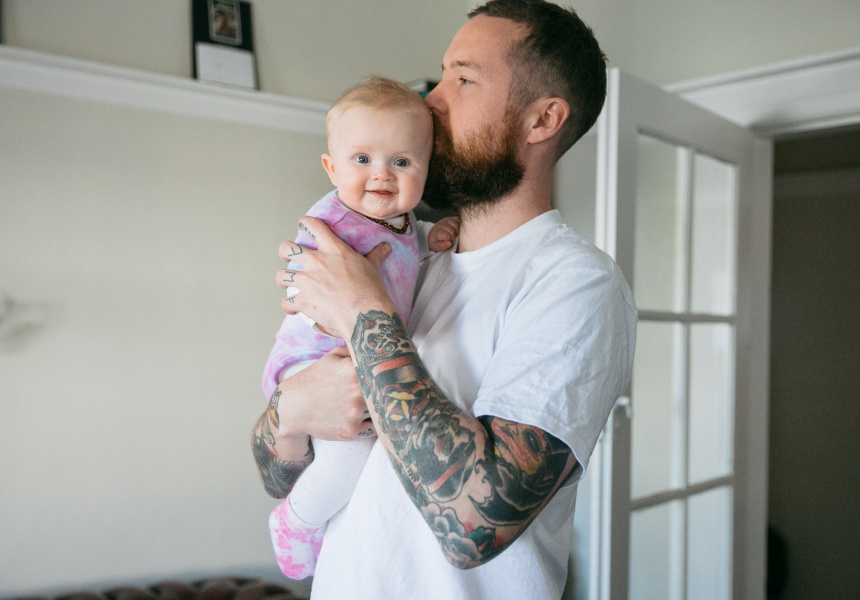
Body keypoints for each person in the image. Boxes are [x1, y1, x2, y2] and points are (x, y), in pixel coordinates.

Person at [252, 1, 637, 598]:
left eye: (463, 80)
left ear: (542, 120)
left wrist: (361, 312)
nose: (430, 101)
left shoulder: (574, 282)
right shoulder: (408, 261)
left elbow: (476, 525)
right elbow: (277, 477)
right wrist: (293, 406)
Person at [257, 75, 459, 580]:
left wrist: (436, 234)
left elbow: (408, 241)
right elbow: (302, 281)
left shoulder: (403, 220)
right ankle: (294, 523)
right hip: (316, 360)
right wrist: (322, 310)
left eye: (402, 162)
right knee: (350, 461)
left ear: (425, 169)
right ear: (332, 168)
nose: (381, 174)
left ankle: (317, 525)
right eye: (363, 159)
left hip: (359, 361)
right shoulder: (332, 219)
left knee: (363, 462)